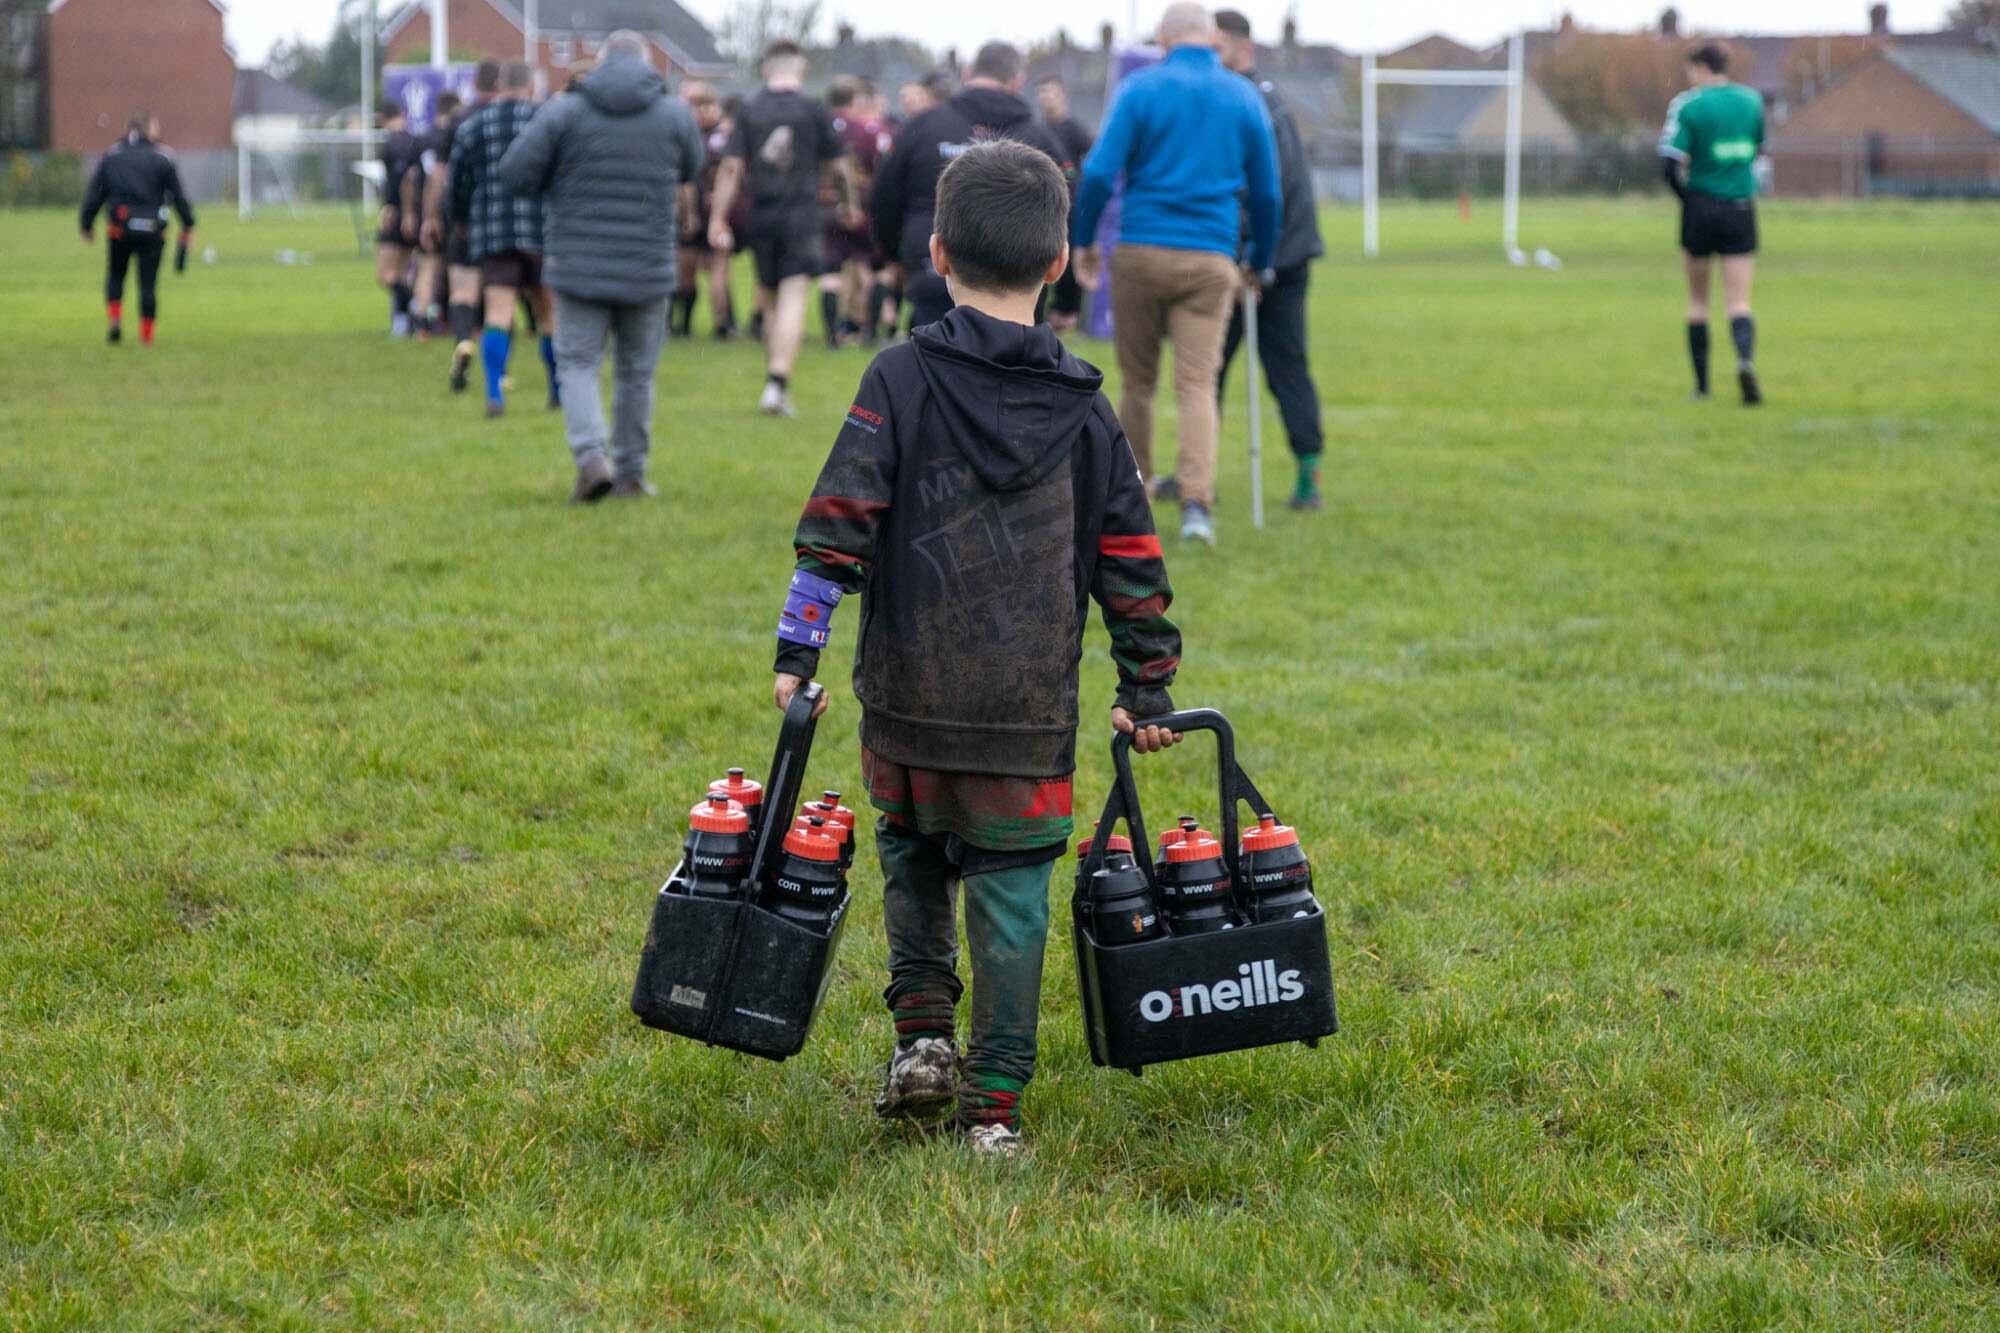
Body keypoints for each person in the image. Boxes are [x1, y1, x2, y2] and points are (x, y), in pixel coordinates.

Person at [771, 141, 1183, 1155]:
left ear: (936, 250)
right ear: (1060, 262)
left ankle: (921, 1045)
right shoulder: (1089, 414)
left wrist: (798, 647)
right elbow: (1132, 559)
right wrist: (1149, 685)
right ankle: (991, 1110)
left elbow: (835, 523)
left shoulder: (897, 376)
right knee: (1010, 898)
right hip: (1024, 718)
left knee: (912, 863)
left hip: (906, 701)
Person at [1072, 3, 1279, 546]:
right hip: (1209, 258)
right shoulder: (1242, 95)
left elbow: (1096, 173)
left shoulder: (1141, 90)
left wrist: (1084, 240)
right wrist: (1259, 256)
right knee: (1196, 385)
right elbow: (1267, 193)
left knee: (1138, 382)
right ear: (1213, 37)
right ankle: (1196, 507)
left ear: (1162, 38)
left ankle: (1132, 494)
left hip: (1140, 249)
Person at [499, 30, 704, 503]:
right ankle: (631, 474)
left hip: (577, 264)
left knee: (578, 364)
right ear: (648, 63)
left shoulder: (566, 111)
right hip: (648, 266)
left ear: (600, 61)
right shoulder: (674, 113)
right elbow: (694, 167)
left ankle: (592, 459)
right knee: (636, 372)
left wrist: (559, 179)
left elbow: (516, 171)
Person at [1212, 10, 1327, 512]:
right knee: (1209, 368)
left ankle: (1308, 479)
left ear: (1244, 50)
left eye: (1218, 50)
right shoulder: (1258, 96)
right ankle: (1199, 477)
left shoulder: (1252, 102)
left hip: (1268, 260)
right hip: (1273, 252)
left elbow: (1267, 191)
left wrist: (1255, 262)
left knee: (1280, 369)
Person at [870, 41, 1068, 332]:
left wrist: (892, 255)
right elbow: (1067, 206)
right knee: (1018, 368)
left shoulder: (921, 127)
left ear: (966, 74)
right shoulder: (1040, 137)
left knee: (932, 365)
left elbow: (883, 196)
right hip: (1021, 276)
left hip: (936, 264)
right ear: (1016, 82)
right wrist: (1068, 298)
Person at [708, 41, 859, 418]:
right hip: (802, 214)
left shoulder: (750, 109)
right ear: (801, 69)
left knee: (770, 297)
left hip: (763, 214)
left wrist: (717, 217)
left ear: (766, 69)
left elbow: (730, 168)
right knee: (794, 297)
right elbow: (840, 167)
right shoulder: (813, 109)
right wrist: (850, 204)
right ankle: (777, 383)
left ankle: (774, 384)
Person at [1660, 42, 1767, 406]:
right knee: (1739, 302)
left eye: (1692, 71)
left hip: (1701, 207)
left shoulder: (1689, 104)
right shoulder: (1752, 102)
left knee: (1698, 302)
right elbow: (1756, 148)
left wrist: (1689, 200)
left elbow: (1669, 166)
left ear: (1702, 68)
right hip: (1740, 206)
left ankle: (1703, 387)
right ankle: (1745, 361)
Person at [450, 60, 557, 418]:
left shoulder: (474, 125)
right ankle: (557, 391)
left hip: (494, 229)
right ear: (530, 85)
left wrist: (461, 219)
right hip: (543, 231)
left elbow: (458, 182)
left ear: (497, 85)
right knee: (549, 314)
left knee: (498, 314)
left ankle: (495, 392)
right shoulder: (547, 120)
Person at [79, 112, 193, 347]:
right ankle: (147, 335)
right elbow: (178, 195)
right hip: (152, 230)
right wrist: (188, 223)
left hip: (119, 227)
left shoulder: (112, 155)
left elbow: (96, 192)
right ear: (148, 129)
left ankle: (115, 320)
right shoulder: (163, 157)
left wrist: (87, 223)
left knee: (116, 275)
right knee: (148, 284)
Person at [427, 64, 501, 393]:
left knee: (462, 291)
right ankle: (498, 371)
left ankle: (462, 341)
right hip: (500, 217)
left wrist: (431, 216)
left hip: (462, 217)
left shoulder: (457, 121)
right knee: (500, 296)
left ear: (473, 83)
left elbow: (439, 175)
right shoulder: (509, 118)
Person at [818, 80, 891, 348]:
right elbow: (882, 169)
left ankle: (831, 339)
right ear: (854, 100)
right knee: (877, 269)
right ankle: (869, 333)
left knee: (831, 274)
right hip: (862, 209)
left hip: (826, 207)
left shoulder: (819, 127)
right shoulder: (867, 130)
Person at [671, 80, 736, 338]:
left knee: (717, 269)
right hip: (698, 210)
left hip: (711, 211)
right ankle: (689, 324)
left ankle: (722, 323)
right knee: (687, 269)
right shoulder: (692, 135)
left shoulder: (721, 136)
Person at [1033, 75, 1094, 331]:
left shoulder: (1076, 129)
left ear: (1063, 96)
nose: (1047, 97)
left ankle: (1067, 311)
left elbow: (1091, 162)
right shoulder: (1038, 129)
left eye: (1052, 92)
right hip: (1044, 203)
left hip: (1072, 203)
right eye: (1043, 92)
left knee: (1069, 255)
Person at [411, 89, 461, 339]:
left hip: (426, 210)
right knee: (457, 269)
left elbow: (411, 178)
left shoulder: (422, 139)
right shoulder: (457, 135)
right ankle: (455, 320)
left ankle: (422, 322)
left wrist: (417, 214)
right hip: (452, 210)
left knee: (428, 267)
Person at [374, 98, 426, 337]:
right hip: (416, 214)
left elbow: (408, 177)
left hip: (398, 215)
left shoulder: (392, 143)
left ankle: (417, 309)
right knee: (404, 273)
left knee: (386, 276)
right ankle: (404, 323)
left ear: (382, 118)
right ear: (402, 114)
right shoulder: (415, 140)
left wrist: (403, 212)